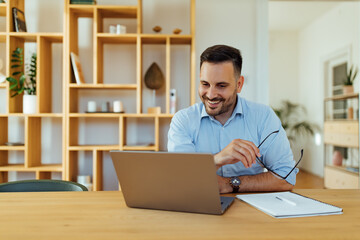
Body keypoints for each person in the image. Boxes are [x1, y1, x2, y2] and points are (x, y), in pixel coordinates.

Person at [168, 44, 299, 193]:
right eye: (205, 84)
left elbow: (287, 177)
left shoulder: (263, 117)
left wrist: (229, 184)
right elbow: (179, 177)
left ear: (239, 84)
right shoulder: (183, 120)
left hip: (250, 209)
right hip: (198, 207)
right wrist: (217, 159)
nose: (210, 94)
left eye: (221, 85)